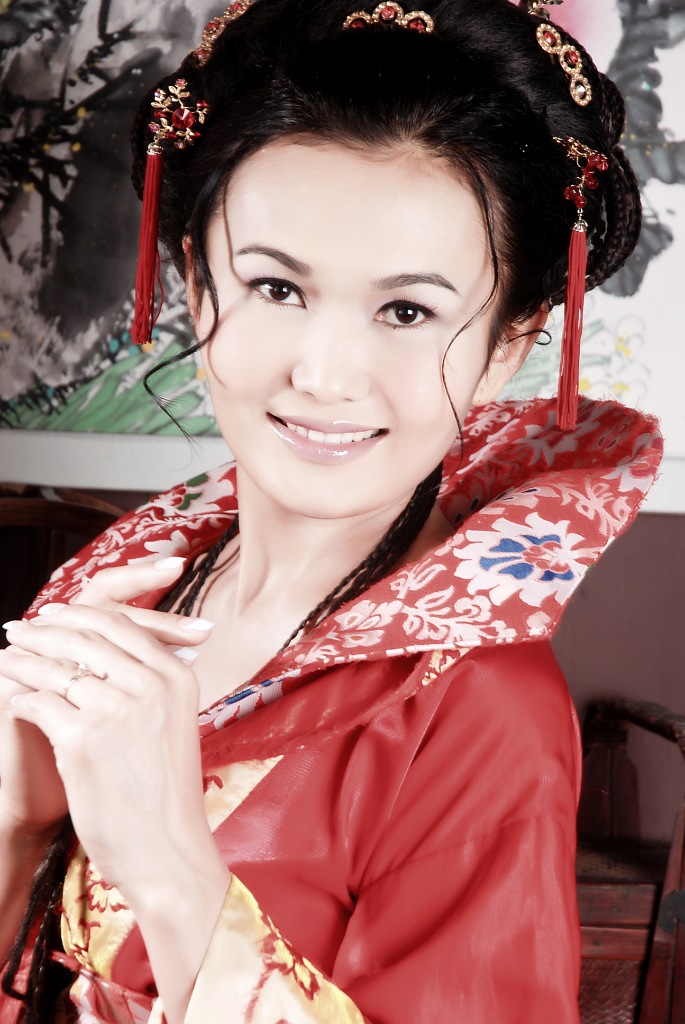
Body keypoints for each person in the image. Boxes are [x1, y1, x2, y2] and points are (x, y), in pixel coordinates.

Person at [0, 0, 662, 1021]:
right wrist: (15, 823)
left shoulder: (480, 709)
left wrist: (171, 868)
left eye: (406, 311)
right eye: (276, 288)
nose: (323, 375)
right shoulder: (120, 588)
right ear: (195, 283)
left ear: (504, 346)